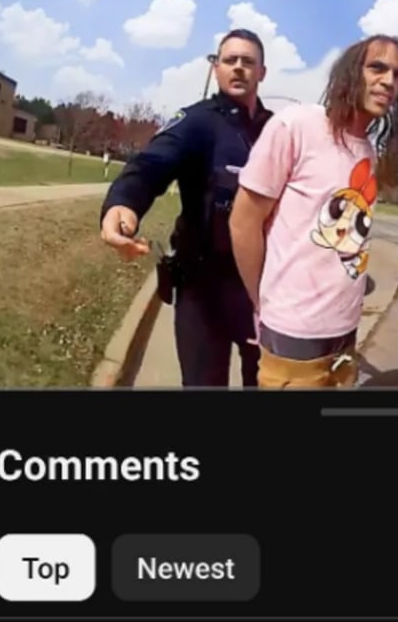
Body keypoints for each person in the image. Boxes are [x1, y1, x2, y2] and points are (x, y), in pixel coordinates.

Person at [229, 34, 398, 388]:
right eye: (377, 67)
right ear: (350, 73)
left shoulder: (368, 153)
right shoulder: (296, 125)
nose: (389, 81)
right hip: (292, 332)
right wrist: (262, 302)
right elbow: (243, 223)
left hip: (345, 331)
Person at [99, 29, 272, 387]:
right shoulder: (197, 121)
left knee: (270, 385)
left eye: (248, 62)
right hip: (201, 288)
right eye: (229, 60)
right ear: (216, 67)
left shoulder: (276, 130)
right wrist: (123, 203)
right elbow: (150, 165)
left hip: (261, 289)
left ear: (262, 73)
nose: (238, 68)